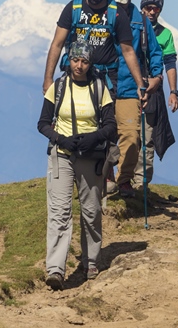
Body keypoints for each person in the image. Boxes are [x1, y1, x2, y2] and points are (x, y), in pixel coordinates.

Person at [37, 41, 117, 291]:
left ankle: (91, 260)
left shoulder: (99, 88)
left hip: (90, 157)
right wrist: (61, 139)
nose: (79, 66)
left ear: (90, 63)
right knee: (59, 212)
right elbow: (43, 123)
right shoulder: (58, 87)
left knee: (91, 212)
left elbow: (111, 126)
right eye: (75, 60)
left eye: (84, 61)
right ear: (69, 60)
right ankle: (55, 269)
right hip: (61, 155)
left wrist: (92, 138)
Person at [42, 0, 147, 105]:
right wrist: (48, 79)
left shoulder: (116, 12)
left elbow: (128, 51)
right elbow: (57, 44)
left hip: (106, 78)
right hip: (76, 76)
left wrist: (140, 84)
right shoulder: (73, 8)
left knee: (106, 123)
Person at [108, 0, 164, 198]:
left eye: (124, 3)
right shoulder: (102, 17)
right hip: (104, 84)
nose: (121, 6)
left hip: (132, 87)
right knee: (103, 138)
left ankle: (123, 180)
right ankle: (105, 179)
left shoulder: (140, 21)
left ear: (130, 0)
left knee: (132, 138)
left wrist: (155, 78)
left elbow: (155, 52)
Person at [132, 0, 178, 190]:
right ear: (142, 8)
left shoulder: (165, 35)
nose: (152, 12)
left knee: (147, 138)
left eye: (156, 8)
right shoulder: (132, 29)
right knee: (129, 136)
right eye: (149, 7)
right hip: (129, 89)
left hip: (153, 92)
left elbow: (170, 63)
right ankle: (124, 179)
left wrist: (173, 91)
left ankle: (141, 184)